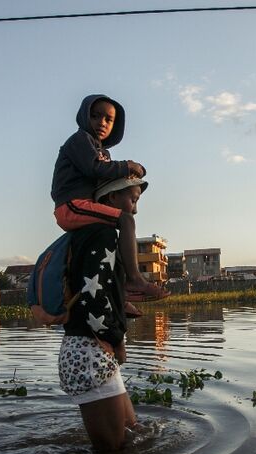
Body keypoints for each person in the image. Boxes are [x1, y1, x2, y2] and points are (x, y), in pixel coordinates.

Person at [51, 93, 168, 303]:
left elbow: (105, 178)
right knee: (126, 220)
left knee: (114, 237)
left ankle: (119, 293)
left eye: (108, 119)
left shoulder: (101, 151)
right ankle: (134, 279)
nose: (101, 123)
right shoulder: (80, 140)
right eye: (95, 116)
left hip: (85, 204)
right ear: (84, 116)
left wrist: (127, 174)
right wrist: (128, 165)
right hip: (71, 205)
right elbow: (95, 168)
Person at [58, 218, 138, 453]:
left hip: (92, 353)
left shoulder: (85, 235)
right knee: (112, 452)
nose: (134, 206)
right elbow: (93, 300)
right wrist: (118, 341)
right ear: (112, 197)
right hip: (91, 355)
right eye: (132, 198)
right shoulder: (102, 235)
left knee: (132, 434)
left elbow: (98, 293)